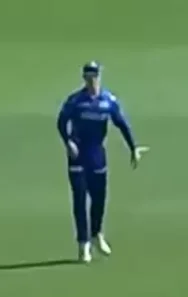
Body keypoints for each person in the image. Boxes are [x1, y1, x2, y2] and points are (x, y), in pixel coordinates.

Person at [56, 61, 148, 263]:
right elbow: (61, 122)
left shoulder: (108, 101)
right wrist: (68, 141)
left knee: (99, 198)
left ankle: (96, 234)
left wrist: (133, 147)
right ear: (84, 78)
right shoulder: (75, 101)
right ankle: (83, 245)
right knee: (80, 199)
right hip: (78, 155)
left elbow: (121, 123)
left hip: (97, 155)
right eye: (89, 76)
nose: (92, 80)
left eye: (95, 76)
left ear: (99, 77)